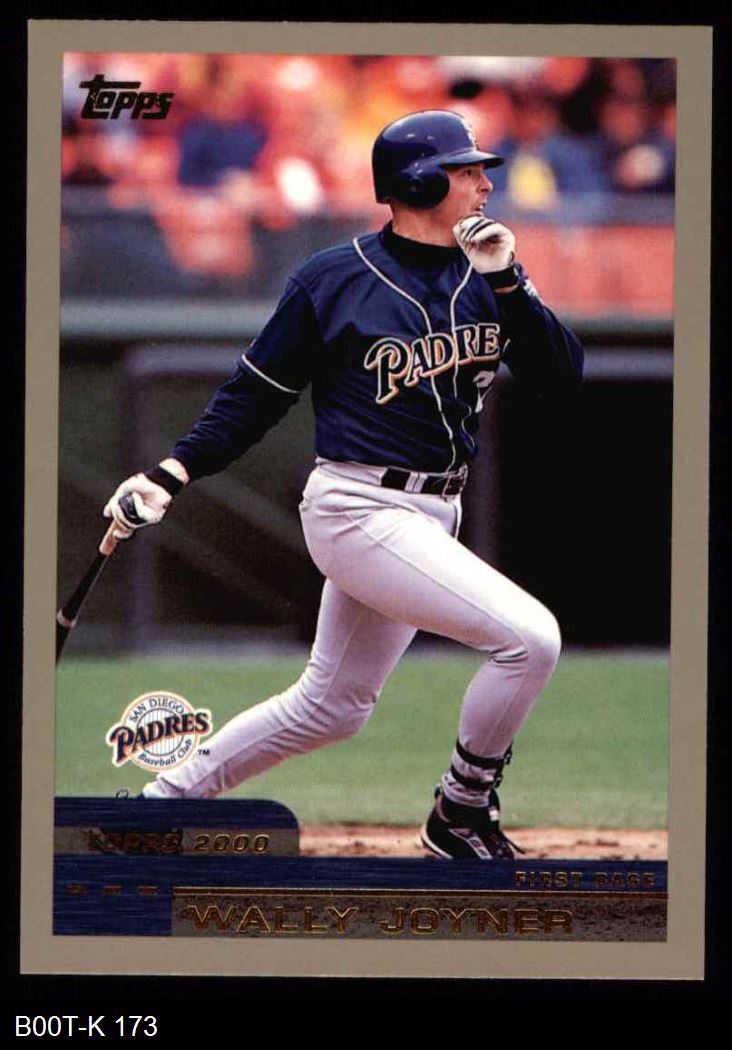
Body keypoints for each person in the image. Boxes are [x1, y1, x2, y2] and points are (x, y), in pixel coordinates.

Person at [104, 110, 584, 860]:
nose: (485, 184)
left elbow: (560, 378)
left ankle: (158, 807)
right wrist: (173, 471)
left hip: (432, 511)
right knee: (530, 641)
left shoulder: (488, 275)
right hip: (358, 507)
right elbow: (254, 395)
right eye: (466, 171)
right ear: (419, 182)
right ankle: (461, 810)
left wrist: (510, 280)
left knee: (332, 707)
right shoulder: (333, 278)